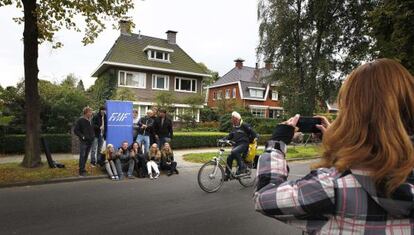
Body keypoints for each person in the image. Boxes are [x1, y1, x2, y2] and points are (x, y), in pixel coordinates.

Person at [254, 59, 414, 234]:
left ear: (351, 115)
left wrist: (277, 143)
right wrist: (339, 144)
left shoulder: (330, 188)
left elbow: (265, 197)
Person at [222, 111, 257, 180]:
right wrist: (223, 139)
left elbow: (253, 133)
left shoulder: (244, 125)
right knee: (229, 157)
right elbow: (230, 135)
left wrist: (251, 141)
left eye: (233, 119)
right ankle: (227, 174)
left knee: (234, 152)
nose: (231, 120)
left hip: (244, 144)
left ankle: (242, 167)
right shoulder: (235, 127)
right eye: (232, 118)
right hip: (237, 145)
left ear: (237, 119)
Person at [74, 106, 95, 177]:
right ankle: (81, 171)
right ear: (86, 112)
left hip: (90, 141)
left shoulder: (90, 120)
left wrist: (93, 136)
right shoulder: (80, 120)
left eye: (91, 112)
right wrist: (82, 136)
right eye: (90, 112)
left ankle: (83, 169)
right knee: (82, 156)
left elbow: (91, 130)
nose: (91, 113)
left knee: (86, 156)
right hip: (84, 142)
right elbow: (76, 130)